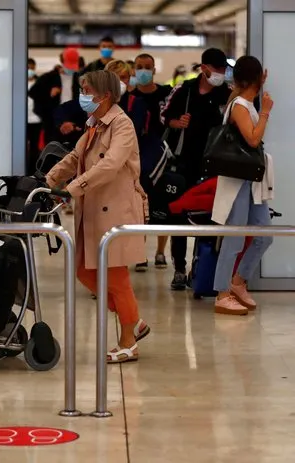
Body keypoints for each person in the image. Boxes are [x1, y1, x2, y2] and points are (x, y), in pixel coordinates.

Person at [46, 70, 150, 364]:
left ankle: (129, 341)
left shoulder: (122, 125)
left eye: (87, 90)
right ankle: (135, 320)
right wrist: (48, 180)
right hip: (93, 209)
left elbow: (112, 164)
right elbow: (75, 158)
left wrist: (72, 188)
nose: (83, 95)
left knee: (116, 277)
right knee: (83, 270)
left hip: (115, 210)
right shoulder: (94, 125)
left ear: (104, 96)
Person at [160, 48, 232, 290]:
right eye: (217, 69)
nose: (221, 73)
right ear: (204, 68)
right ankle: (179, 268)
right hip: (184, 162)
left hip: (214, 164)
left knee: (210, 217)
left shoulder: (226, 93)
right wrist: (176, 122)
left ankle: (199, 267)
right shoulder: (185, 90)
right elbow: (164, 115)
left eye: (224, 69)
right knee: (178, 215)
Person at [211, 56, 275, 316]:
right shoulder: (239, 104)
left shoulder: (245, 102)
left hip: (252, 180)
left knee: (265, 235)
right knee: (234, 237)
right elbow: (252, 139)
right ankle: (221, 293)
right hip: (238, 180)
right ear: (256, 79)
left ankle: (238, 282)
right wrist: (266, 111)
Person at [131, 53, 174, 271]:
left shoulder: (166, 93)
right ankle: (140, 253)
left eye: (147, 67)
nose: (143, 71)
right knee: (139, 205)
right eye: (139, 67)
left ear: (154, 69)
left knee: (161, 203)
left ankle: (160, 251)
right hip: (135, 156)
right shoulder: (130, 95)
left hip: (161, 155)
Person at [29, 48, 80, 145]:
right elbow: (33, 92)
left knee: (73, 152)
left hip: (74, 122)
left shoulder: (79, 78)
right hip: (53, 122)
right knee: (53, 151)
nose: (71, 68)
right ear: (62, 61)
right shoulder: (49, 77)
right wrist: (49, 93)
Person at [27, 58, 42, 175]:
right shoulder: (17, 83)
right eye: (27, 68)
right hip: (22, 121)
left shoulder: (39, 83)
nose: (29, 70)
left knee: (34, 147)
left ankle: (32, 171)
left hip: (36, 120)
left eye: (31, 68)